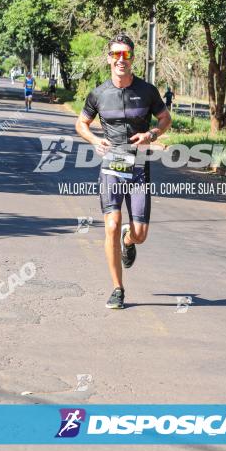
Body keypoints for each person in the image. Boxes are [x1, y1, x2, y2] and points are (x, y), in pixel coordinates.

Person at [75, 33, 171, 310]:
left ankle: (130, 241)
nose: (121, 59)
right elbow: (81, 124)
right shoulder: (99, 94)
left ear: (132, 58)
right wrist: (94, 139)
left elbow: (165, 118)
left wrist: (151, 134)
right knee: (111, 225)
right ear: (109, 59)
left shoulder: (148, 91)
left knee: (140, 234)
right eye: (116, 54)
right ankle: (118, 289)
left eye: (125, 54)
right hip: (111, 168)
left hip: (139, 167)